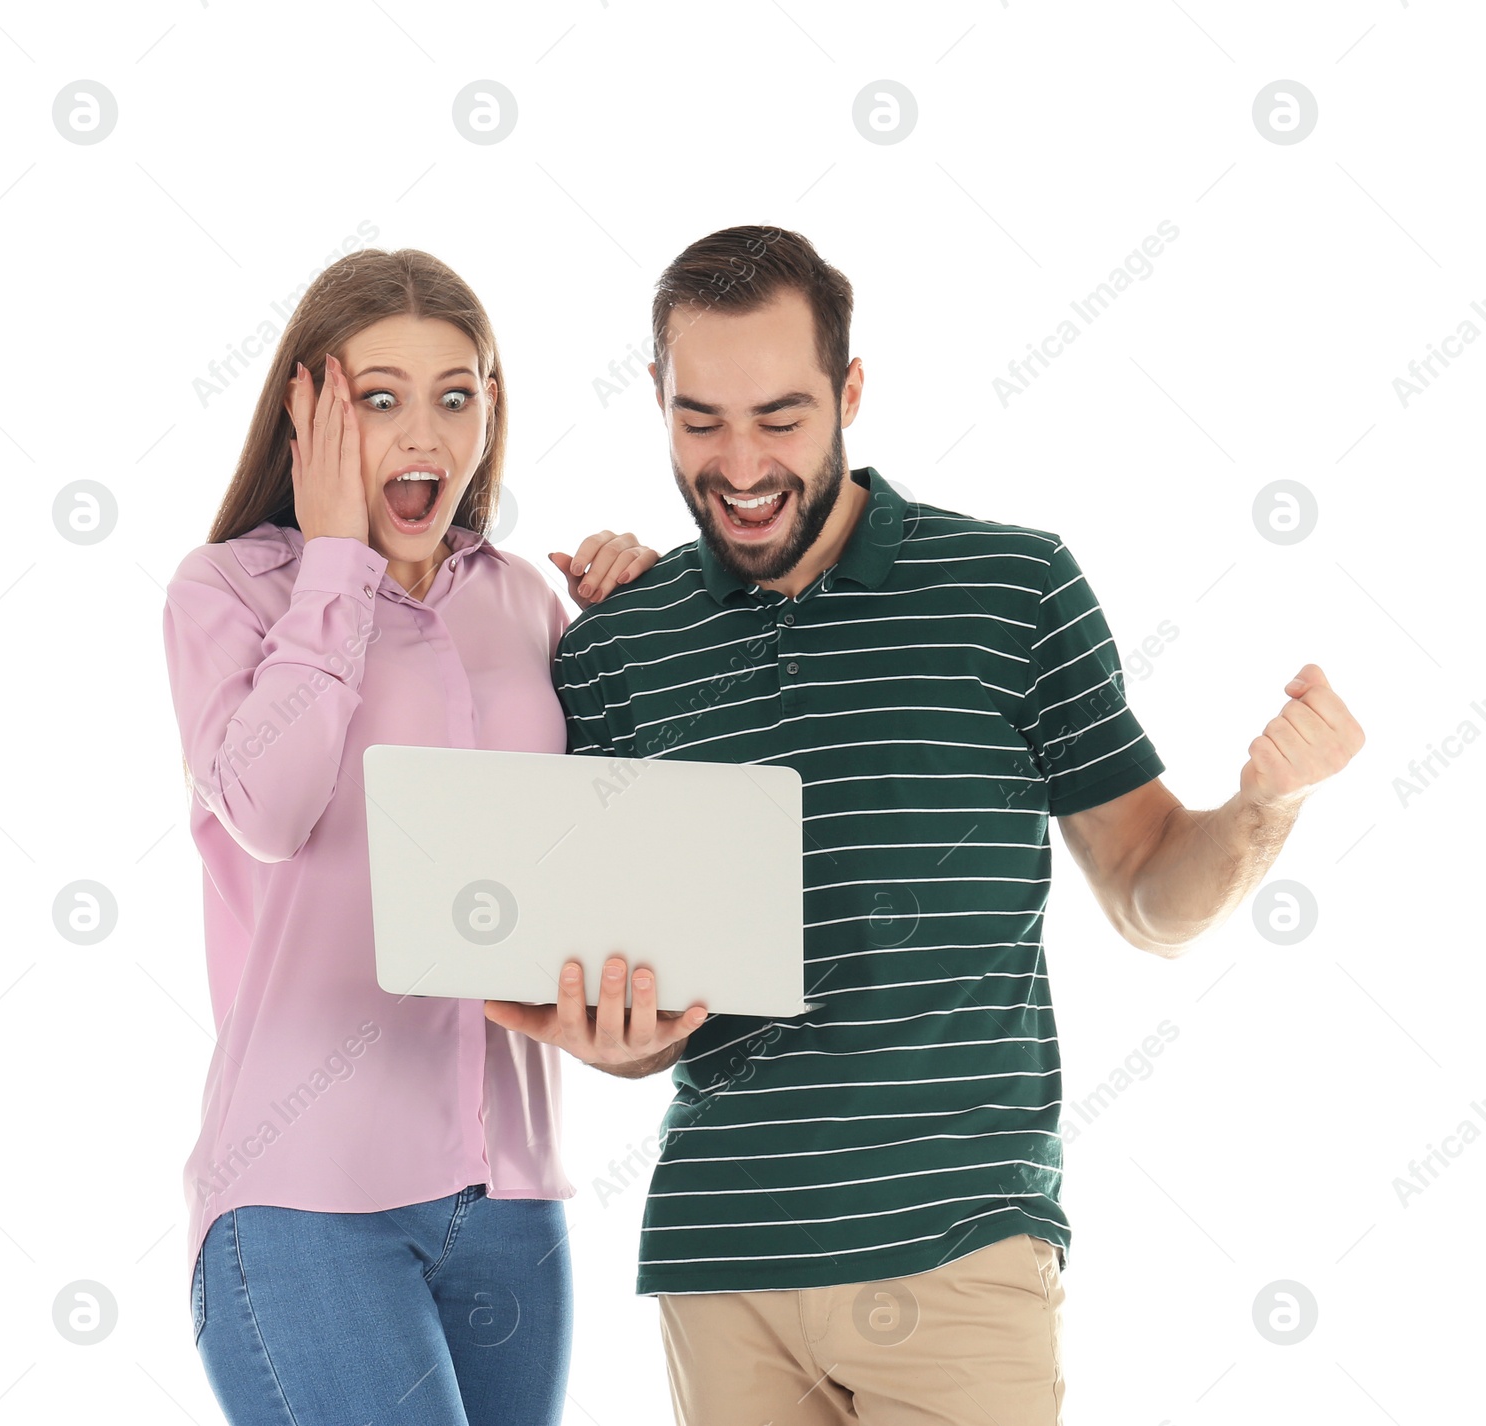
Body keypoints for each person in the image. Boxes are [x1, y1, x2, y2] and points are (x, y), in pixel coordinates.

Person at [485, 224, 1366, 1425]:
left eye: (782, 417)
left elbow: (1149, 892)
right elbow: (634, 1011)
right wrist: (614, 1038)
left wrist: (1265, 806)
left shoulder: (1014, 590)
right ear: (655, 398)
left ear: (851, 391)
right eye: (700, 421)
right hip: (719, 1258)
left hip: (958, 1250)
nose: (740, 464)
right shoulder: (620, 648)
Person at [162, 246, 661, 1426]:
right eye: (378, 399)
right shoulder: (227, 593)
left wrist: (650, 627)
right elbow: (274, 811)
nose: (423, 434)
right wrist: (335, 561)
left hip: (515, 1198)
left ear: (493, 408)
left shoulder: (527, 605)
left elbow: (603, 868)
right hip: (303, 1193)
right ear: (308, 412)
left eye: (457, 393)